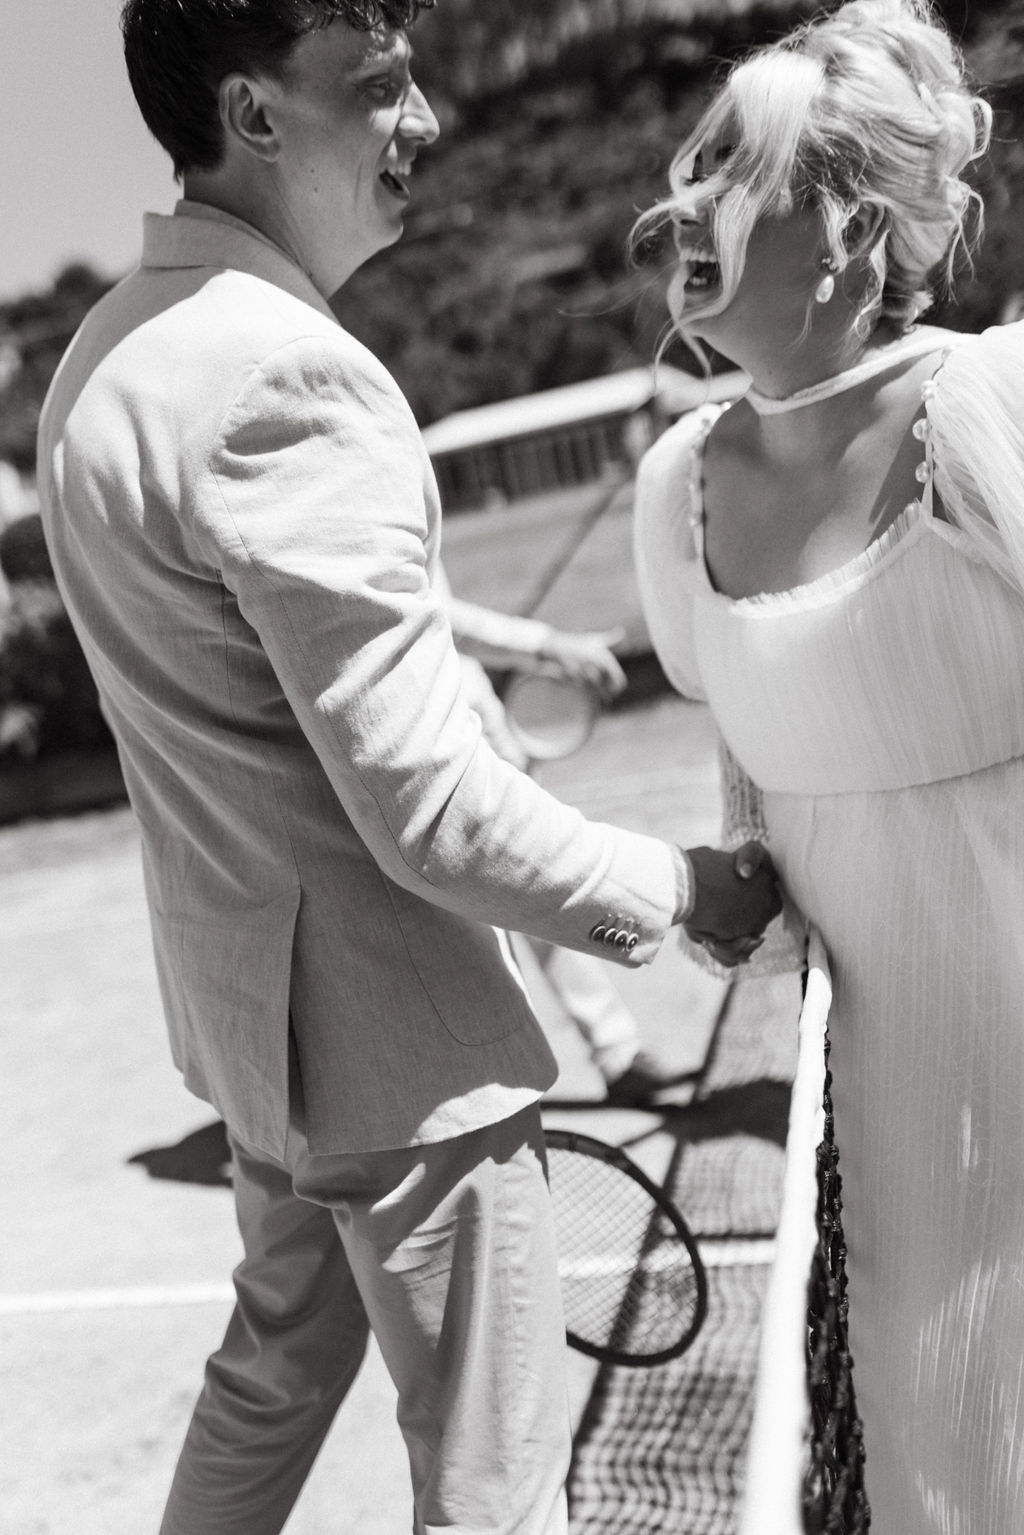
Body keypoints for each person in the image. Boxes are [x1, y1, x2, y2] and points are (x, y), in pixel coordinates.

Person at [36, 4, 781, 1532]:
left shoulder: (100, 361)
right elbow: (435, 812)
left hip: (257, 1043)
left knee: (265, 1386)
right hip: (402, 1056)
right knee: (493, 1490)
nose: (425, 118)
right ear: (253, 113)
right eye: (379, 85)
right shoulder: (291, 376)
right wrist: (686, 888)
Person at [631, 0, 1024, 1527]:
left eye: (733, 169)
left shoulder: (989, 407)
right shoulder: (676, 489)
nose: (682, 202)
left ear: (854, 231)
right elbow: (759, 771)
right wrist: (739, 872)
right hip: (898, 1148)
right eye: (690, 164)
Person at [444, 588, 681, 1104]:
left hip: (472, 717)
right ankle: (503, 1079)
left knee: (535, 881)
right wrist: (547, 644)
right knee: (487, 908)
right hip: (441, 738)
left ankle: (615, 1052)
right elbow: (427, 613)